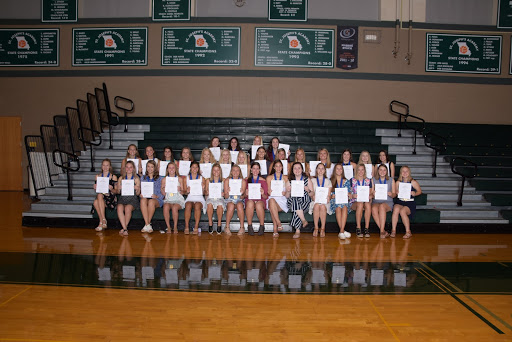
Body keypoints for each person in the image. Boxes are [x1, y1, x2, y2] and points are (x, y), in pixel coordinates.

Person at [391, 166, 422, 239]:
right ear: (401, 173)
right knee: (396, 208)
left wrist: (415, 193)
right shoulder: (398, 182)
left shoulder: (413, 182)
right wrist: (396, 192)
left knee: (402, 211)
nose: (405, 173)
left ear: (409, 172)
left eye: (406, 171)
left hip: (409, 202)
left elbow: (419, 191)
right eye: (403, 171)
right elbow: (395, 193)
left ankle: (408, 231)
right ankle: (393, 230)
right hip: (400, 201)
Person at [287, 162, 311, 239]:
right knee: (295, 200)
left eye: (299, 168)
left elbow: (312, 194)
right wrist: (288, 191)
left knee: (296, 207)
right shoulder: (289, 181)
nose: (297, 170)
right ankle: (303, 220)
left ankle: (297, 230)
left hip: (304, 202)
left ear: (302, 169)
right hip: (292, 201)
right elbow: (287, 196)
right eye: (295, 168)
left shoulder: (307, 180)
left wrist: (308, 190)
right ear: (292, 170)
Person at [115, 160, 140, 236]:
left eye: (130, 167)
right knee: (119, 207)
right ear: (125, 168)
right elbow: (118, 192)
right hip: (123, 198)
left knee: (127, 208)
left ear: (133, 169)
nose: (129, 169)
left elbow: (138, 194)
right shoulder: (121, 178)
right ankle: (125, 228)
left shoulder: (136, 178)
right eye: (127, 167)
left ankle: (124, 228)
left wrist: (137, 188)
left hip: (132, 199)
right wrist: (118, 188)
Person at [92, 159, 118, 232]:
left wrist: (112, 189)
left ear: (110, 166)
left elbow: (116, 191)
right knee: (97, 199)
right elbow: (98, 190)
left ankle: (102, 221)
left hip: (110, 198)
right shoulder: (98, 176)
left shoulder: (113, 177)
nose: (105, 167)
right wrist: (95, 187)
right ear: (101, 166)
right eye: (104, 165)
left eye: (107, 165)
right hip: (101, 197)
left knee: (97, 200)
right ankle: (103, 220)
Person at [372, 164, 396, 238]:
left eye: (384, 170)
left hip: (387, 202)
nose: (382, 171)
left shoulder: (391, 180)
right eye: (380, 170)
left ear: (387, 171)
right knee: (373, 208)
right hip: (376, 201)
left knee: (382, 206)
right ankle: (383, 231)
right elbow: (371, 193)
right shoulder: (373, 179)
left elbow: (394, 194)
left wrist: (391, 194)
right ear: (378, 171)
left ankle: (381, 232)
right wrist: (373, 194)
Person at [266, 160, 290, 237]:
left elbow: (288, 193)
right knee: (272, 201)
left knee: (272, 206)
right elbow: (268, 191)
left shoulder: (286, 178)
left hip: (282, 200)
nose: (278, 168)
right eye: (276, 166)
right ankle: (278, 224)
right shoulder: (269, 178)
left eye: (280, 166)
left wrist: (285, 192)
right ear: (274, 167)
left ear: (282, 167)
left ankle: (275, 229)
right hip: (272, 198)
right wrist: (269, 191)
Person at [307, 163, 332, 238]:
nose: (320, 170)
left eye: (322, 168)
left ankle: (323, 228)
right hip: (315, 201)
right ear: (316, 170)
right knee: (317, 206)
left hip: (325, 202)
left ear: (324, 170)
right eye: (319, 168)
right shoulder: (312, 180)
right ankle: (316, 227)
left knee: (323, 207)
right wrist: (313, 197)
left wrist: (328, 198)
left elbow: (329, 194)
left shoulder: (328, 181)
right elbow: (310, 192)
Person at [350, 163, 374, 238]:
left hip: (365, 201)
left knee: (367, 204)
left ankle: (366, 228)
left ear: (364, 171)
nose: (360, 172)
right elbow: (349, 193)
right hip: (354, 202)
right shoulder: (352, 180)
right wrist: (352, 195)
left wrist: (371, 196)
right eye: (359, 170)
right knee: (360, 204)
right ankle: (358, 228)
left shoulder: (368, 180)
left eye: (362, 170)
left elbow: (371, 194)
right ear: (356, 171)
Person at [139, 160, 164, 233]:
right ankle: (147, 224)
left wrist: (157, 196)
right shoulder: (143, 178)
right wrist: (141, 194)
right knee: (143, 200)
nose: (150, 168)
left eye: (152, 167)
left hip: (156, 199)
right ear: (146, 168)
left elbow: (162, 193)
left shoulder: (160, 178)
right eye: (148, 166)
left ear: (155, 168)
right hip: (146, 197)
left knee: (151, 202)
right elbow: (141, 190)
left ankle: (146, 224)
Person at [245, 162, 269, 236]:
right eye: (254, 168)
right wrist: (246, 194)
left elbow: (266, 197)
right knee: (250, 203)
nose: (255, 170)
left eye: (257, 169)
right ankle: (249, 226)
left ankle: (262, 226)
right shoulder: (246, 180)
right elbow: (243, 196)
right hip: (250, 200)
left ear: (259, 170)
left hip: (260, 200)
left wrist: (262, 193)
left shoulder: (263, 181)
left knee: (258, 204)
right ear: (251, 170)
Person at [161, 161, 185, 234]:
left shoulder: (180, 179)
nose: (171, 169)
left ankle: (175, 227)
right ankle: (168, 227)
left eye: (173, 168)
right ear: (167, 169)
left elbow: (184, 192)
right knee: (165, 206)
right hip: (168, 199)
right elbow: (163, 194)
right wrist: (163, 189)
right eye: (169, 168)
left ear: (175, 169)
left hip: (178, 199)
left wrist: (180, 189)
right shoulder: (164, 179)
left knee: (175, 207)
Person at [329, 163, 352, 240]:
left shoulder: (347, 181)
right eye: (337, 169)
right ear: (334, 170)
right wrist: (332, 196)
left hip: (344, 201)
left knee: (345, 207)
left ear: (342, 170)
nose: (339, 170)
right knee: (338, 208)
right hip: (334, 201)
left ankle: (341, 231)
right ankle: (342, 231)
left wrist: (349, 195)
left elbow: (349, 195)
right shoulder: (331, 181)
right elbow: (329, 194)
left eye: (340, 169)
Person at [183, 161, 205, 235]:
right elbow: (184, 192)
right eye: (193, 167)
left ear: (198, 169)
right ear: (190, 168)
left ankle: (196, 227)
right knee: (188, 205)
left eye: (196, 167)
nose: (194, 168)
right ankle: (186, 227)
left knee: (197, 205)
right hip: (190, 197)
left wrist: (203, 188)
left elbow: (205, 193)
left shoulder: (202, 178)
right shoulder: (186, 178)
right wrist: (187, 191)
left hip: (199, 198)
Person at [224, 164, 246, 235]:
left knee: (239, 205)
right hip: (229, 200)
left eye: (237, 170)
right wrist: (227, 191)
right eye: (233, 170)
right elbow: (226, 196)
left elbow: (243, 197)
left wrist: (242, 193)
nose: (235, 172)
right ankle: (227, 227)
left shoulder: (242, 181)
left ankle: (242, 227)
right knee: (231, 205)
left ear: (240, 172)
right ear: (231, 172)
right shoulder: (227, 180)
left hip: (239, 200)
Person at [205, 163, 225, 234]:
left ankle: (219, 224)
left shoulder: (223, 180)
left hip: (219, 197)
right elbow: (205, 193)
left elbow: (226, 193)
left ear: (220, 171)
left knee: (220, 205)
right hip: (211, 197)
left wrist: (224, 193)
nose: (216, 172)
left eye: (218, 170)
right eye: (214, 170)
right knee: (209, 204)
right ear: (212, 171)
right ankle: (210, 223)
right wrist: (207, 192)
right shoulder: (208, 180)